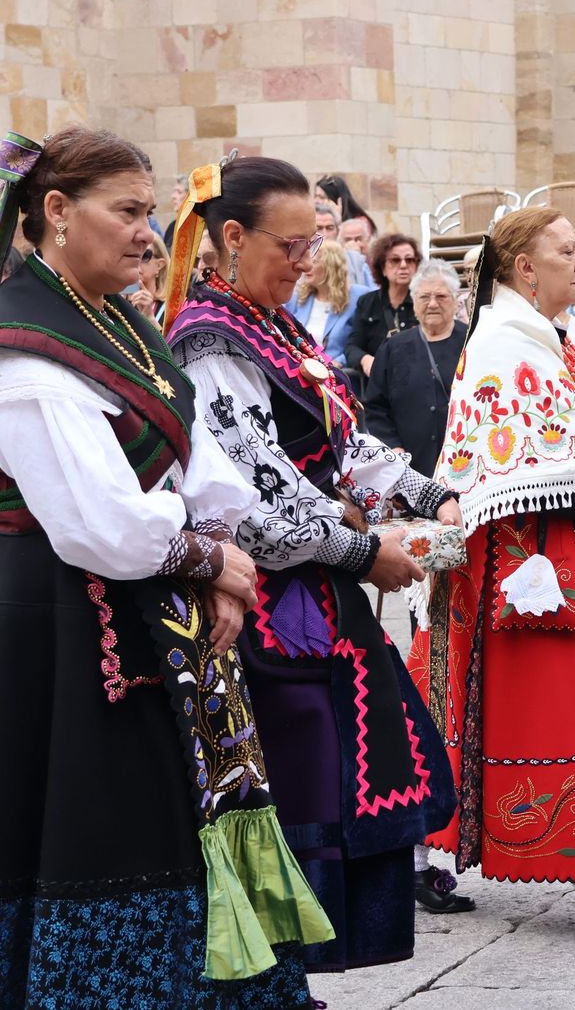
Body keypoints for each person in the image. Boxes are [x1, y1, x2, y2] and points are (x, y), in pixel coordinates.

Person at [0, 127, 330, 1009]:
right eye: (128, 212)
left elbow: (201, 461)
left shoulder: (116, 323)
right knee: (80, 825)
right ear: (57, 211)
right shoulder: (15, 350)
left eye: (150, 212)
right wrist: (212, 560)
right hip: (52, 632)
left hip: (145, 619)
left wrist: (214, 550)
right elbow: (98, 524)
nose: (148, 234)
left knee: (160, 815)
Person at [165, 154, 458, 968]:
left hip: (315, 592)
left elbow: (344, 443)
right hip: (266, 605)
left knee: (343, 765)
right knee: (301, 775)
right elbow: (256, 496)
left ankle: (294, 975)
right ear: (232, 237)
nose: (307, 262)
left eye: (315, 243)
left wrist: (432, 495)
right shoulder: (210, 341)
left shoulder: (273, 324)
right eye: (292, 246)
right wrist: (364, 552)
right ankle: (277, 971)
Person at [409, 206, 575, 895]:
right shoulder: (506, 342)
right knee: (559, 702)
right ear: (524, 268)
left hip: (560, 554)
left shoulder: (550, 338)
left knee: (572, 697)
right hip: (525, 561)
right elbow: (518, 469)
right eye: (566, 250)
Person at [364, 260, 464, 476]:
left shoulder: (472, 342)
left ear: (456, 301)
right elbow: (375, 407)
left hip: (464, 466)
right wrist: (394, 449)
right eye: (424, 297)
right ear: (414, 301)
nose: (433, 304)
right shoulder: (393, 348)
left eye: (441, 296)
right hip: (410, 470)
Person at [346, 233, 421, 379]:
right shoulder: (367, 302)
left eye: (410, 260)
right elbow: (352, 348)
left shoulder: (424, 301)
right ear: (382, 268)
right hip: (378, 383)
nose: (403, 265)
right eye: (395, 260)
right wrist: (365, 359)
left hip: (416, 379)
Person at [286, 240, 368, 366]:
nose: (306, 266)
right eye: (304, 259)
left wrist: (339, 363)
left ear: (331, 266)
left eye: (314, 261)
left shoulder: (358, 296)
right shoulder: (297, 297)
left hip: (338, 372)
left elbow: (361, 343)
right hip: (299, 368)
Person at [314, 202, 373, 289]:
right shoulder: (303, 260)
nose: (325, 234)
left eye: (330, 228)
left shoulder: (354, 259)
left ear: (338, 231)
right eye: (318, 228)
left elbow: (372, 291)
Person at [316, 174, 378, 238]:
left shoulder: (360, 222)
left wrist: (337, 219)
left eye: (321, 197)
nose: (316, 201)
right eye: (315, 196)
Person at [127, 231, 169, 323]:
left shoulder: (171, 308)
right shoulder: (117, 299)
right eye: (132, 255)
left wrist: (150, 319)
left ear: (159, 265)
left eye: (145, 256)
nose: (136, 260)